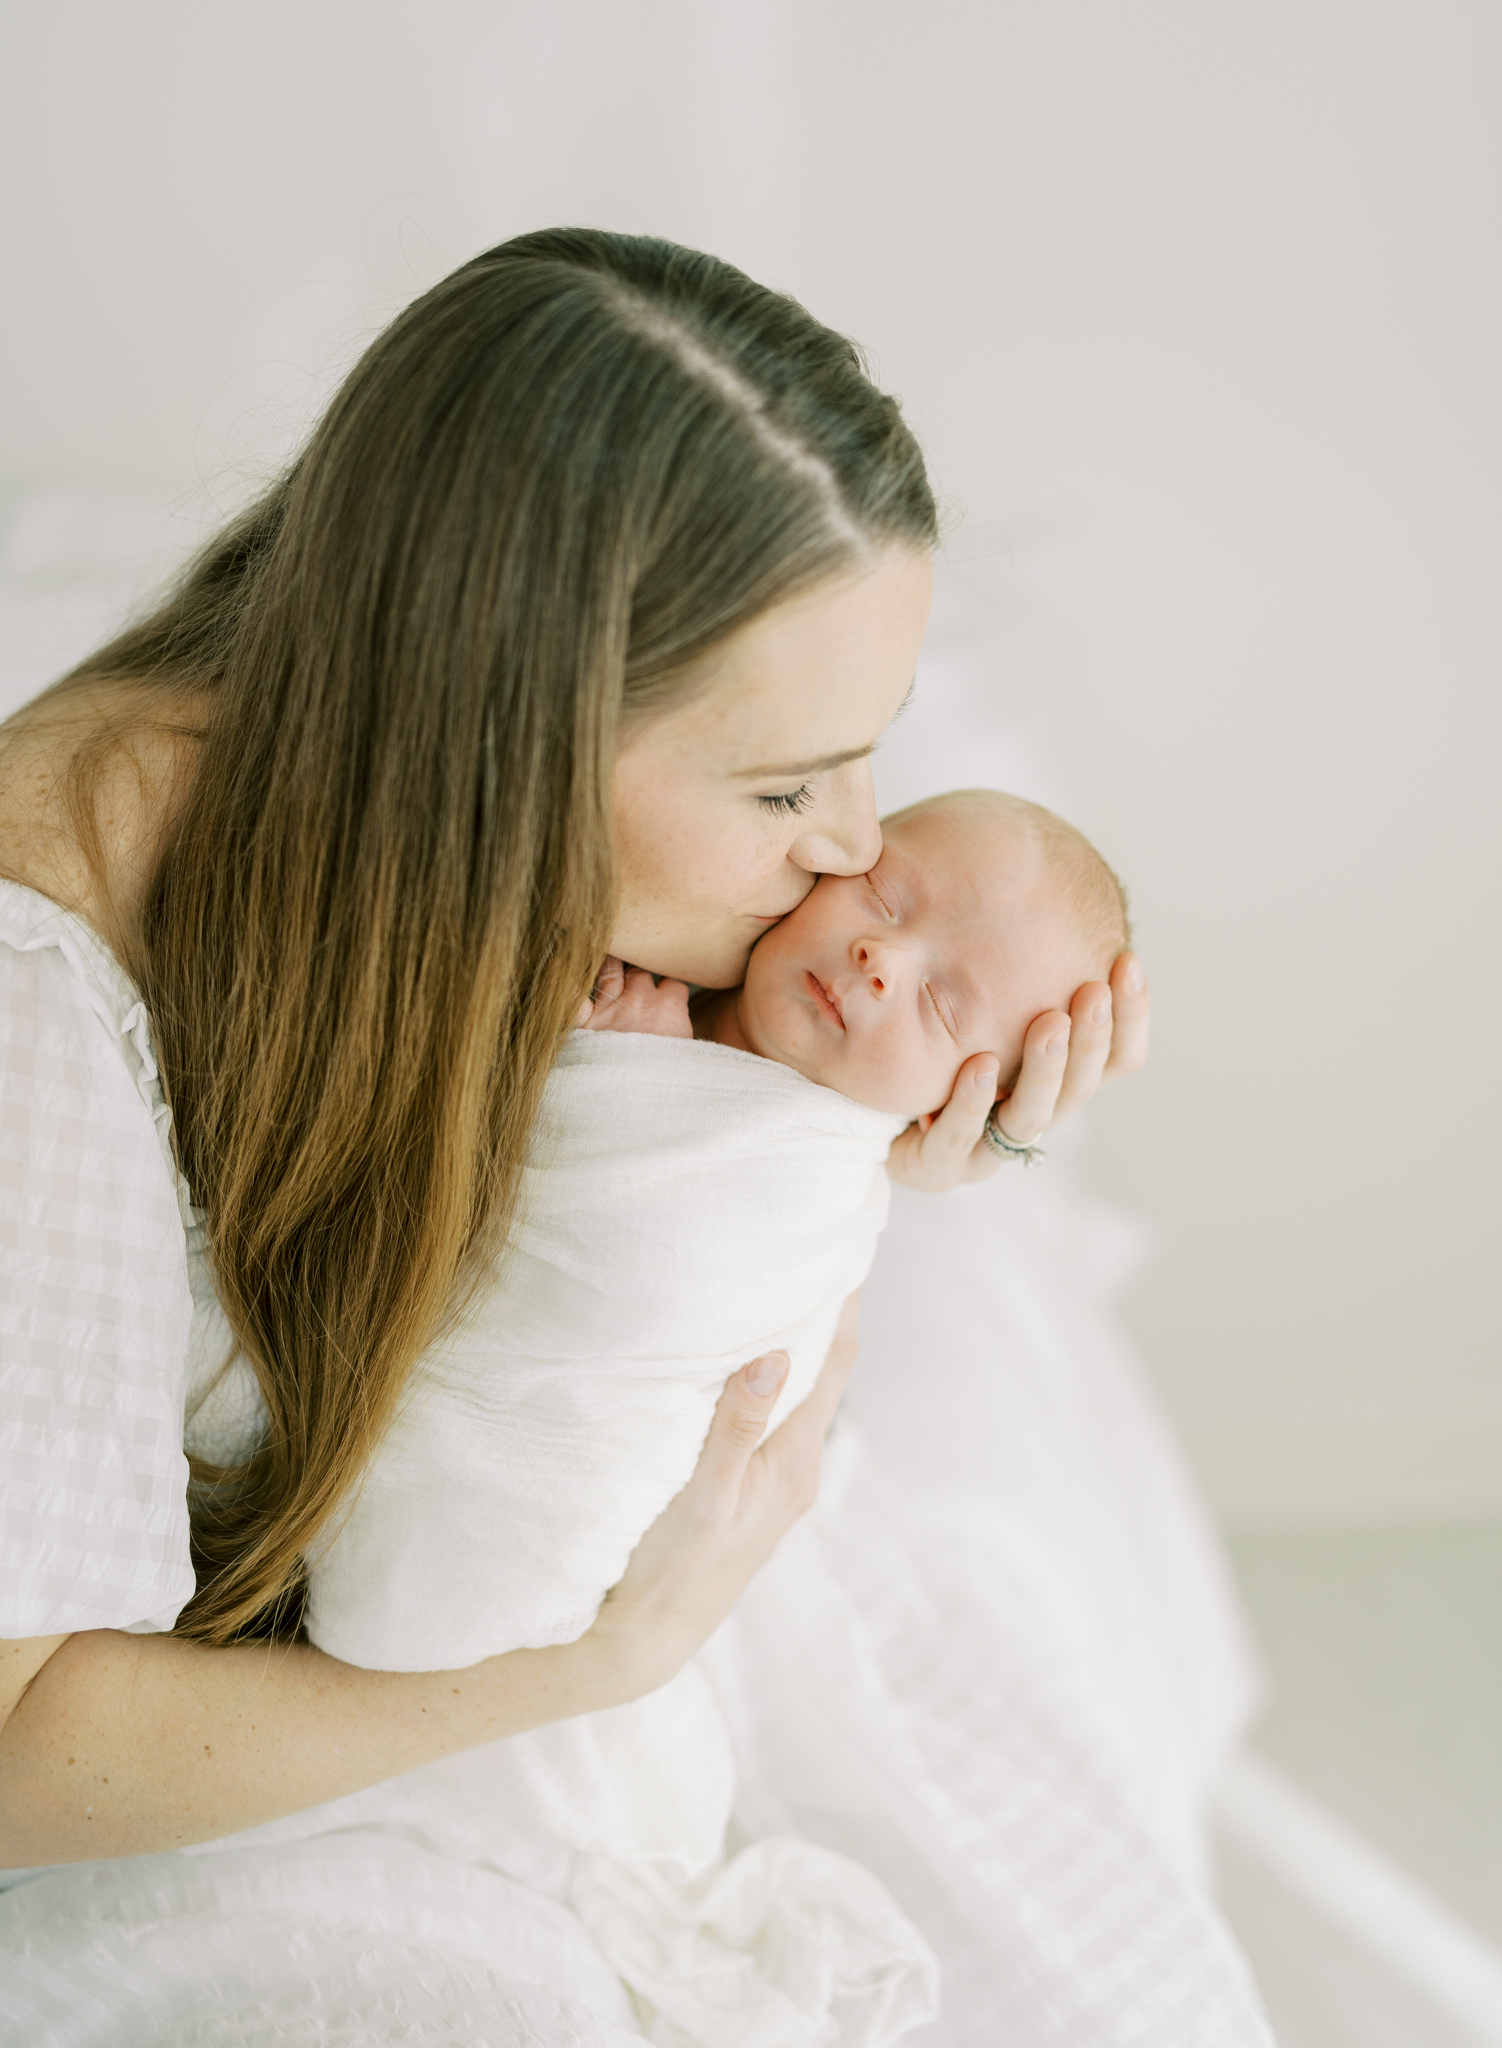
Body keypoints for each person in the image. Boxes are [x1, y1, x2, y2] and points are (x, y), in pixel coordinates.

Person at [0, 232, 1266, 2045]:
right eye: (780, 791)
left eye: (867, 759)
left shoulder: (435, 837)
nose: (845, 854)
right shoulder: (37, 1007)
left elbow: (583, 1199)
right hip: (336, 1714)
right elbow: (23, 1751)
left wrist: (845, 1142)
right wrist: (592, 1666)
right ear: (507, 726)